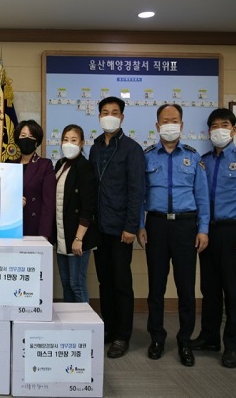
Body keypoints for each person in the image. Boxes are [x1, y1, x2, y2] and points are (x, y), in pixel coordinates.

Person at [137, 103, 210, 367]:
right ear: (157, 126)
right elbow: (140, 195)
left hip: (185, 227)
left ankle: (184, 341)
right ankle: (157, 337)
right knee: (156, 287)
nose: (170, 124)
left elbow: (202, 197)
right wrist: (140, 225)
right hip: (155, 225)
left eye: (175, 120)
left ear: (181, 124)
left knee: (185, 288)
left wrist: (203, 230)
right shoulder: (147, 157)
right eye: (165, 120)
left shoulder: (193, 157)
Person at [191, 108, 236, 368]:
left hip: (234, 232)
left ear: (233, 129)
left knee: (233, 290)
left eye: (224, 124)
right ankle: (209, 337)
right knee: (209, 288)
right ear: (208, 131)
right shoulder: (204, 161)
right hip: (207, 231)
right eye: (213, 126)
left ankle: (232, 345)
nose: (218, 129)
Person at [89, 96, 145, 359]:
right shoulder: (96, 147)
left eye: (114, 112)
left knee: (122, 282)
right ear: (99, 117)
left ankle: (123, 335)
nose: (109, 116)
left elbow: (137, 190)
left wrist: (131, 226)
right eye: (104, 112)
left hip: (122, 227)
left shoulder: (132, 149)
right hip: (99, 226)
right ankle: (109, 329)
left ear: (122, 117)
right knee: (104, 281)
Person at [54, 124, 99, 303]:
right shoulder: (60, 164)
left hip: (77, 236)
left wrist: (79, 238)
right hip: (61, 234)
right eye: (65, 140)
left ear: (82, 144)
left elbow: (88, 206)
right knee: (66, 283)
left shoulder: (85, 167)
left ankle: (84, 327)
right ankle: (69, 325)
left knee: (77, 283)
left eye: (74, 140)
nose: (69, 144)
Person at [11, 120, 55, 241]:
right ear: (17, 140)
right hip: (10, 227)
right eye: (23, 135)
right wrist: (14, 202)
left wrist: (44, 234)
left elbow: (49, 204)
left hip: (35, 229)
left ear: (37, 142)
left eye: (31, 136)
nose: (26, 139)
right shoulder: (9, 165)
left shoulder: (45, 165)